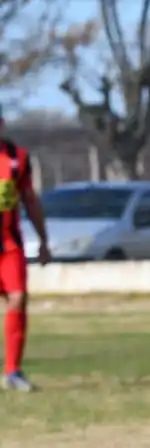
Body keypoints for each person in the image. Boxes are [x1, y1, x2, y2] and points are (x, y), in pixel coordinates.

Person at [0, 106, 51, 392]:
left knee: (18, 298)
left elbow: (30, 201)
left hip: (9, 243)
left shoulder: (17, 159)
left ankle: (13, 370)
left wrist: (43, 240)